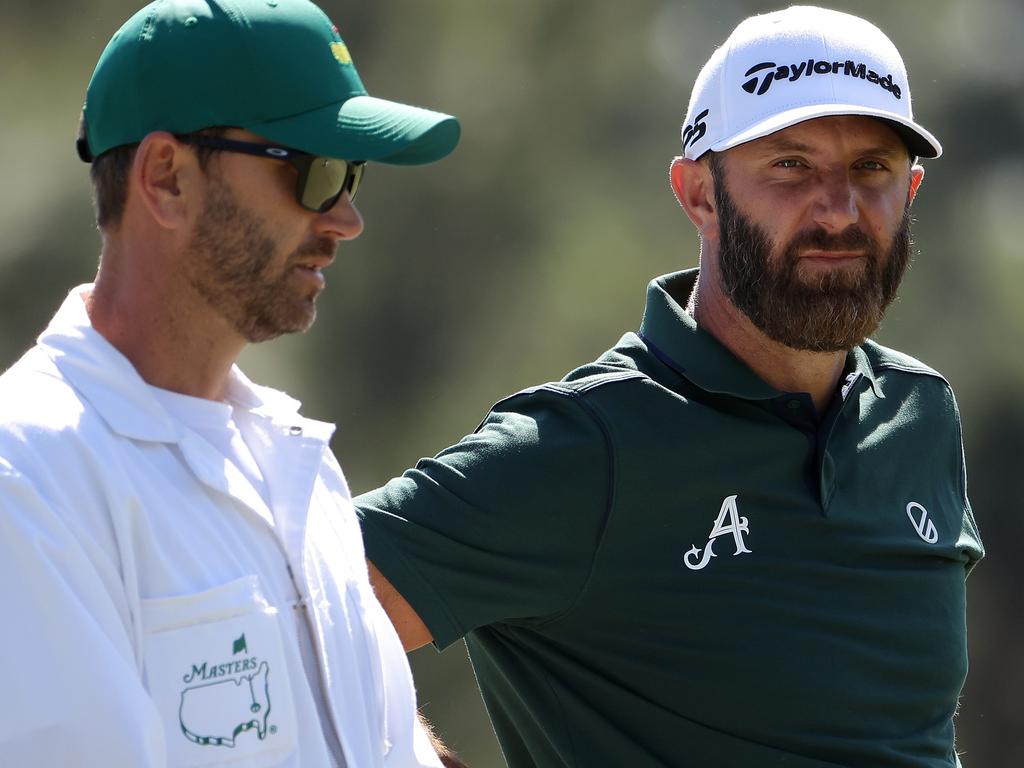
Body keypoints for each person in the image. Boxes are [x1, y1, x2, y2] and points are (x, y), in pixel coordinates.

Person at [357, 6, 985, 767]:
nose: (839, 208)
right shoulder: (591, 446)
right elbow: (297, 609)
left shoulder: (921, 413)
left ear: (910, 189)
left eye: (872, 168)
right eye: (790, 165)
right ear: (700, 195)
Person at [0, 1, 463, 766]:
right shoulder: (28, 478)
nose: (347, 218)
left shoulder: (299, 468)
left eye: (352, 174)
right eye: (314, 172)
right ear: (166, 178)